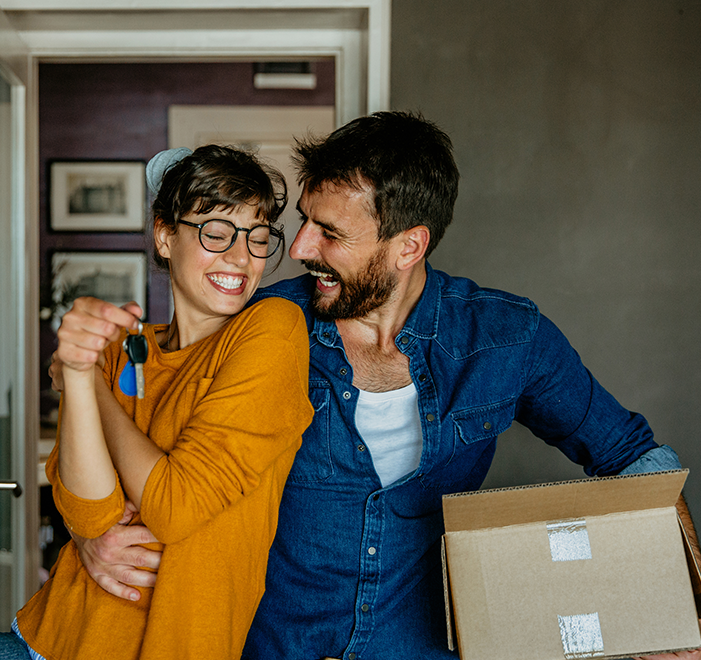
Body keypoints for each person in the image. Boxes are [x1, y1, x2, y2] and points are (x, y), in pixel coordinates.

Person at [54, 112, 699, 660]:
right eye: (303, 221)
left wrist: (679, 607)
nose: (299, 247)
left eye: (329, 233)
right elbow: (151, 432)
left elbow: (632, 457)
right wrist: (87, 532)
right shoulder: (264, 328)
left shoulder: (506, 338)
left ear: (407, 246)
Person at [0, 144, 313, 660]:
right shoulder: (119, 343)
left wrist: (91, 385)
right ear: (166, 236)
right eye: (216, 231)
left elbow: (175, 507)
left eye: (258, 238)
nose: (240, 257)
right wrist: (77, 372)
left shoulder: (272, 330)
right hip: (42, 641)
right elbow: (88, 511)